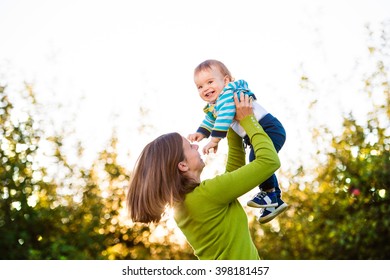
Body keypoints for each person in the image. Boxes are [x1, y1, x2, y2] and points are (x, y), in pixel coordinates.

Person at [127, 93, 280, 260]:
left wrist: (230, 121)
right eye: (189, 146)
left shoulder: (187, 203)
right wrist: (248, 119)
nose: (195, 145)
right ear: (182, 165)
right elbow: (269, 161)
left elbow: (234, 170)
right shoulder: (208, 195)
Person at [188, 59, 288, 223]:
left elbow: (225, 116)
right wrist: (201, 133)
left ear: (226, 81)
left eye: (210, 82)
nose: (205, 88)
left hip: (268, 128)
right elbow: (211, 119)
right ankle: (273, 199)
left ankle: (271, 194)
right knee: (255, 159)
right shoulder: (216, 104)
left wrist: (214, 140)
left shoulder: (228, 95)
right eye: (200, 86)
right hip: (255, 133)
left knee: (256, 160)